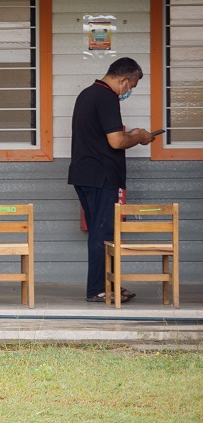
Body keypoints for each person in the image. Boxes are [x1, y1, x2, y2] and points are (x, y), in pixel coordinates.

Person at [68, 57, 156, 304]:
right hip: (101, 176)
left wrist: (132, 134)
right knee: (103, 233)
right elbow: (116, 142)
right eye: (132, 86)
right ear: (124, 80)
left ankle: (110, 284)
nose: (130, 91)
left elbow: (104, 136)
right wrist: (139, 138)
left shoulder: (87, 94)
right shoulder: (107, 98)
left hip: (85, 174)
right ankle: (98, 289)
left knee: (102, 231)